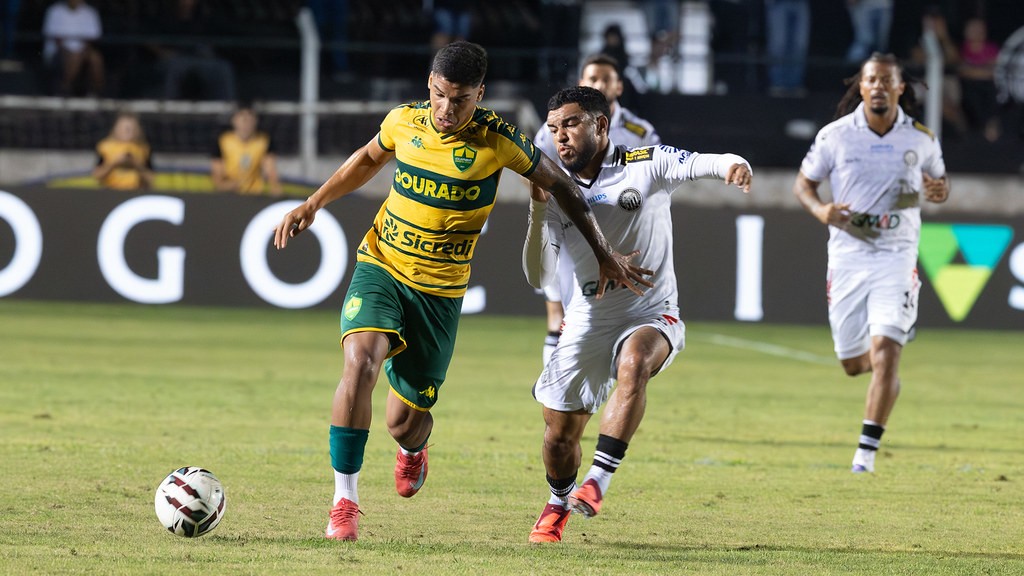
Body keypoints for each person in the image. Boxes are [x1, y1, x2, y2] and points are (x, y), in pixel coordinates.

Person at [271, 41, 651, 542]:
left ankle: (413, 449)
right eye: (439, 95)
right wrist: (313, 203)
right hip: (382, 263)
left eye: (460, 99)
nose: (446, 109)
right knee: (360, 363)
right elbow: (367, 159)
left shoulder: (499, 140)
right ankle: (345, 502)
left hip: (440, 293)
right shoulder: (404, 121)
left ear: (480, 95)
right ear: (429, 85)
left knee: (404, 422)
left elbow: (560, 185)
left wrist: (603, 251)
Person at [522, 85, 752, 543]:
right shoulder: (554, 189)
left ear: (600, 125)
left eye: (571, 124)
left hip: (652, 311)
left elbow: (701, 162)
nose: (560, 136)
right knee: (559, 437)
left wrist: (733, 164)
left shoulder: (646, 162)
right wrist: (537, 209)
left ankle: (598, 480)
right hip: (588, 318)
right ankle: (558, 502)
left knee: (635, 363)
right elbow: (537, 275)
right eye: (553, 128)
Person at [792, 53, 950, 474]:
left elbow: (939, 183)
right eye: (871, 80)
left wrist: (939, 190)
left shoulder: (921, 138)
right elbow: (803, 185)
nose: (878, 86)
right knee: (852, 363)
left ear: (901, 87)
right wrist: (821, 210)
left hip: (897, 255)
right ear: (860, 87)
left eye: (886, 80)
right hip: (848, 256)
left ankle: (865, 455)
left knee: (886, 351)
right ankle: (884, 359)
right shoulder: (835, 136)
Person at [533, 53, 661, 366]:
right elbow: (534, 171)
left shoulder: (639, 132)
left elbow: (654, 178)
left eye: (606, 79)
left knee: (618, 315)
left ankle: (619, 374)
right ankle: (555, 383)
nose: (599, 84)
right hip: (569, 229)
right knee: (560, 314)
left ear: (619, 87)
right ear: (582, 82)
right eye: (592, 78)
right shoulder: (556, 127)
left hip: (619, 233)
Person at [211, 106, 282, 196]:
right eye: (243, 119)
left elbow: (271, 170)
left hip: (254, 194)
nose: (246, 124)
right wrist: (230, 185)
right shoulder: (223, 140)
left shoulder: (263, 141)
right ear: (234, 120)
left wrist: (275, 187)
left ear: (256, 121)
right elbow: (217, 176)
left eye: (250, 120)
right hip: (229, 194)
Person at [42, 0, 104, 96]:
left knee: (95, 58)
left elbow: (92, 38)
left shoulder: (90, 12)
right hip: (58, 51)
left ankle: (95, 93)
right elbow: (56, 39)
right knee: (74, 57)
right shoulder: (54, 10)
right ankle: (64, 89)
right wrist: (72, 52)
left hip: (83, 51)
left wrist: (82, 52)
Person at [958, 17, 1002, 142]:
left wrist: (974, 71)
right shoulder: (962, 48)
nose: (977, 32)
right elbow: (962, 70)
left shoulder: (991, 48)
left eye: (980, 29)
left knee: (992, 92)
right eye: (973, 29)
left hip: (989, 85)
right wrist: (981, 71)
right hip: (967, 86)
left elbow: (996, 70)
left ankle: (991, 125)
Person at [92, 112, 154, 190]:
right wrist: (115, 163)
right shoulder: (105, 147)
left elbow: (151, 179)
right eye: (124, 128)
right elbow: (97, 176)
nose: (128, 131)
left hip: (135, 191)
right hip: (110, 190)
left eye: (131, 128)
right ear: (116, 128)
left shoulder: (143, 149)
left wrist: (136, 165)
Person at [764, 0, 810, 97]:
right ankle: (778, 83)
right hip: (778, 3)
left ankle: (794, 83)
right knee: (779, 43)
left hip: (801, 3)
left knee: (799, 44)